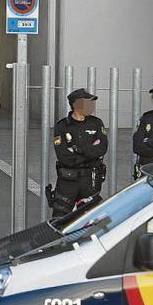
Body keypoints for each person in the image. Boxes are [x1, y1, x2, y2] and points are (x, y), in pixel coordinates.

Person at [47, 89, 108, 218]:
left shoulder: (96, 123)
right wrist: (90, 152)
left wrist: (77, 150)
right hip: (68, 180)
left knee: (91, 219)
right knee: (60, 218)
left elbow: (102, 148)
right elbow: (64, 157)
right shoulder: (62, 126)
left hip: (90, 180)